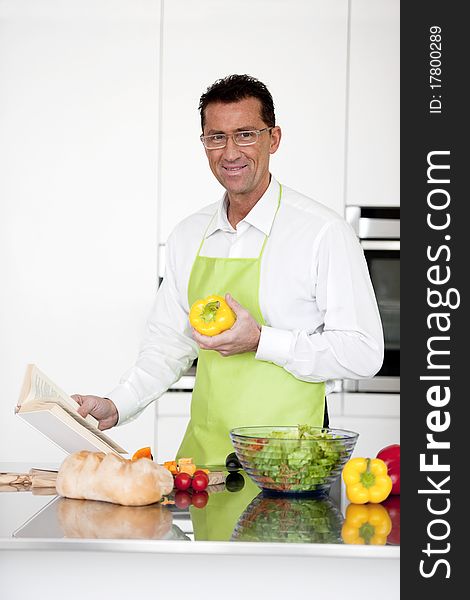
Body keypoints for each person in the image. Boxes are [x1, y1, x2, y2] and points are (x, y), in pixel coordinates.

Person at [73, 74, 384, 466]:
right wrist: (116, 404)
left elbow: (363, 353)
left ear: (274, 139)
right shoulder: (189, 235)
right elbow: (168, 344)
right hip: (206, 463)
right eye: (216, 137)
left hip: (291, 466)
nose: (230, 152)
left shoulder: (322, 232)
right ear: (204, 144)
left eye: (245, 134)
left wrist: (261, 340)